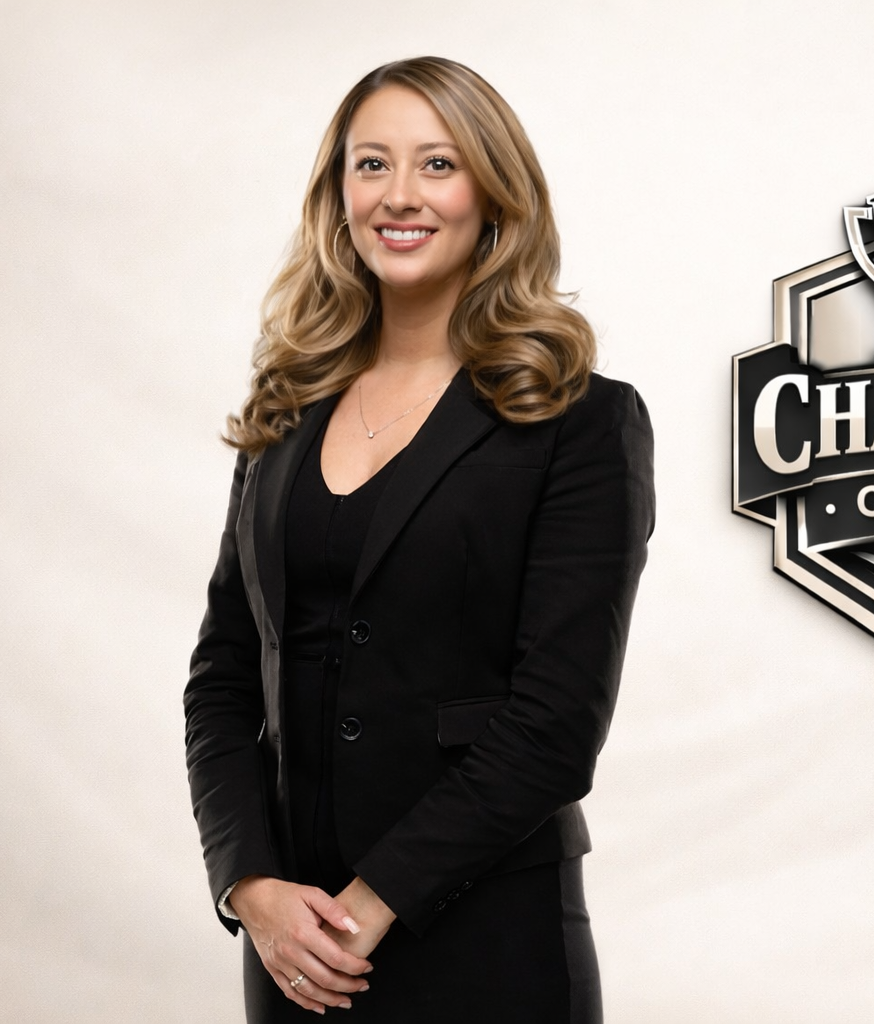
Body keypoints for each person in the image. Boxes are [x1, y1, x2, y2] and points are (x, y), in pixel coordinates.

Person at [184, 56, 654, 1022]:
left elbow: (556, 723)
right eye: (371, 166)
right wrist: (249, 888)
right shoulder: (285, 410)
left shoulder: (579, 421)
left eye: (438, 165)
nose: (400, 196)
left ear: (494, 196)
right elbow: (225, 676)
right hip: (296, 957)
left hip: (488, 947)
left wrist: (375, 901)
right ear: (338, 196)